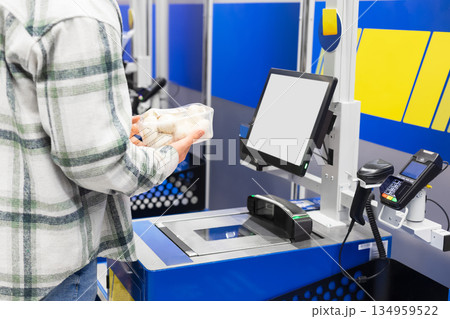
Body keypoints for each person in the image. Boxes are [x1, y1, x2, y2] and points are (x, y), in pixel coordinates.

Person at [0, 0, 203, 301]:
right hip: (46, 274)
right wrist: (168, 156)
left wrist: (108, 127)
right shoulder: (80, 13)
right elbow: (100, 163)